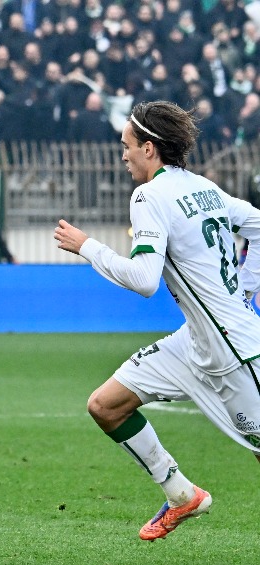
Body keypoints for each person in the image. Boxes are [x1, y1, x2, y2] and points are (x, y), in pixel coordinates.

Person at [53, 100, 260, 541]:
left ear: (149, 148)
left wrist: (87, 246)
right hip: (196, 343)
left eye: (126, 146)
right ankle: (181, 494)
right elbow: (258, 225)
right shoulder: (204, 187)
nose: (123, 155)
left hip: (237, 353)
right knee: (106, 406)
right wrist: (244, 291)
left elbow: (145, 280)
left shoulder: (148, 196)